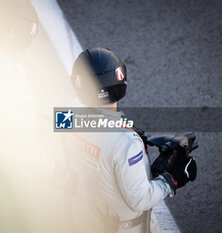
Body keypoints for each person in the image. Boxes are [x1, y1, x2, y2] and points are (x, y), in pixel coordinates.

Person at [65, 47, 197, 233]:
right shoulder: (126, 144)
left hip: (88, 216)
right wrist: (173, 179)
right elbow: (140, 200)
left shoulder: (69, 112)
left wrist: (136, 135)